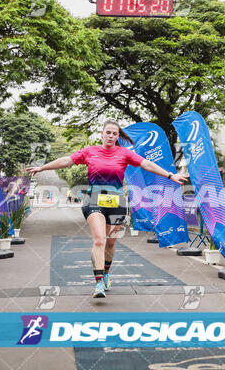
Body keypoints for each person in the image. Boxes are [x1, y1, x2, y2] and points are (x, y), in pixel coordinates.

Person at [27, 119, 188, 298]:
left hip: (116, 201)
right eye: (108, 132)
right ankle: (98, 284)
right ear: (102, 134)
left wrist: (170, 175)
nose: (111, 136)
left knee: (111, 242)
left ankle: (105, 273)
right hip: (94, 199)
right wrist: (42, 167)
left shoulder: (124, 153)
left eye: (114, 133)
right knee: (99, 240)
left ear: (118, 136)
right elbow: (67, 160)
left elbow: (146, 164)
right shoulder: (90, 151)